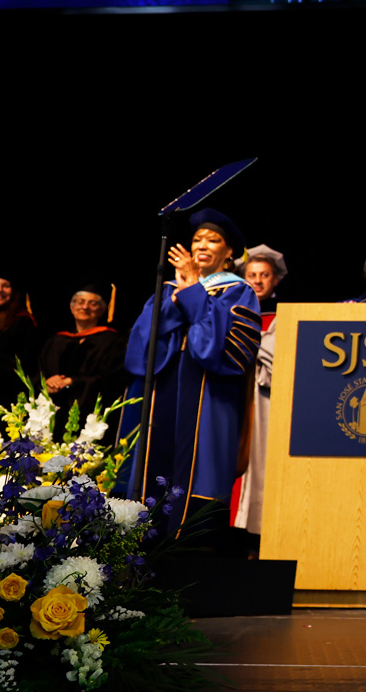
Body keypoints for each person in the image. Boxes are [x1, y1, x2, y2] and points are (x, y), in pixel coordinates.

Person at [114, 209, 262, 537]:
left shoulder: (238, 291)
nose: (202, 246)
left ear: (228, 255)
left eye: (213, 240)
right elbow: (141, 350)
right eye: (197, 240)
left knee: (195, 473)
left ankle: (191, 541)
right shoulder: (167, 289)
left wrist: (195, 292)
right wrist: (181, 295)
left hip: (208, 395)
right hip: (164, 389)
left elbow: (211, 348)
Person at [232, 245, 287, 539]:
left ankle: (256, 536)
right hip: (233, 394)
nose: (258, 280)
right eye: (252, 274)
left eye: (264, 274)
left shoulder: (286, 317)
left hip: (266, 401)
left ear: (275, 279)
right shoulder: (233, 312)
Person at [35, 282, 126, 432]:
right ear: (72, 308)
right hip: (51, 412)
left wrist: (71, 381)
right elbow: (39, 369)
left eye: (93, 303)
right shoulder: (56, 340)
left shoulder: (111, 341)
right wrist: (48, 382)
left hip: (89, 416)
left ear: (102, 310)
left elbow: (112, 378)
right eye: (80, 302)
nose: (85, 307)